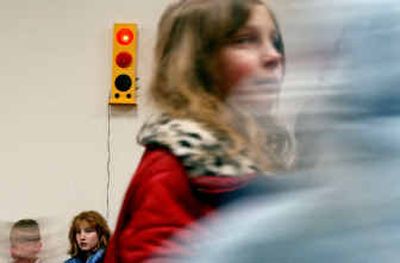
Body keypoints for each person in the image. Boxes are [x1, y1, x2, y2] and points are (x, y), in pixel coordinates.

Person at [105, 0, 293, 262]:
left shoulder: (261, 155)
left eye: (274, 41)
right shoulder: (171, 167)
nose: (274, 56)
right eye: (245, 40)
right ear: (198, 63)